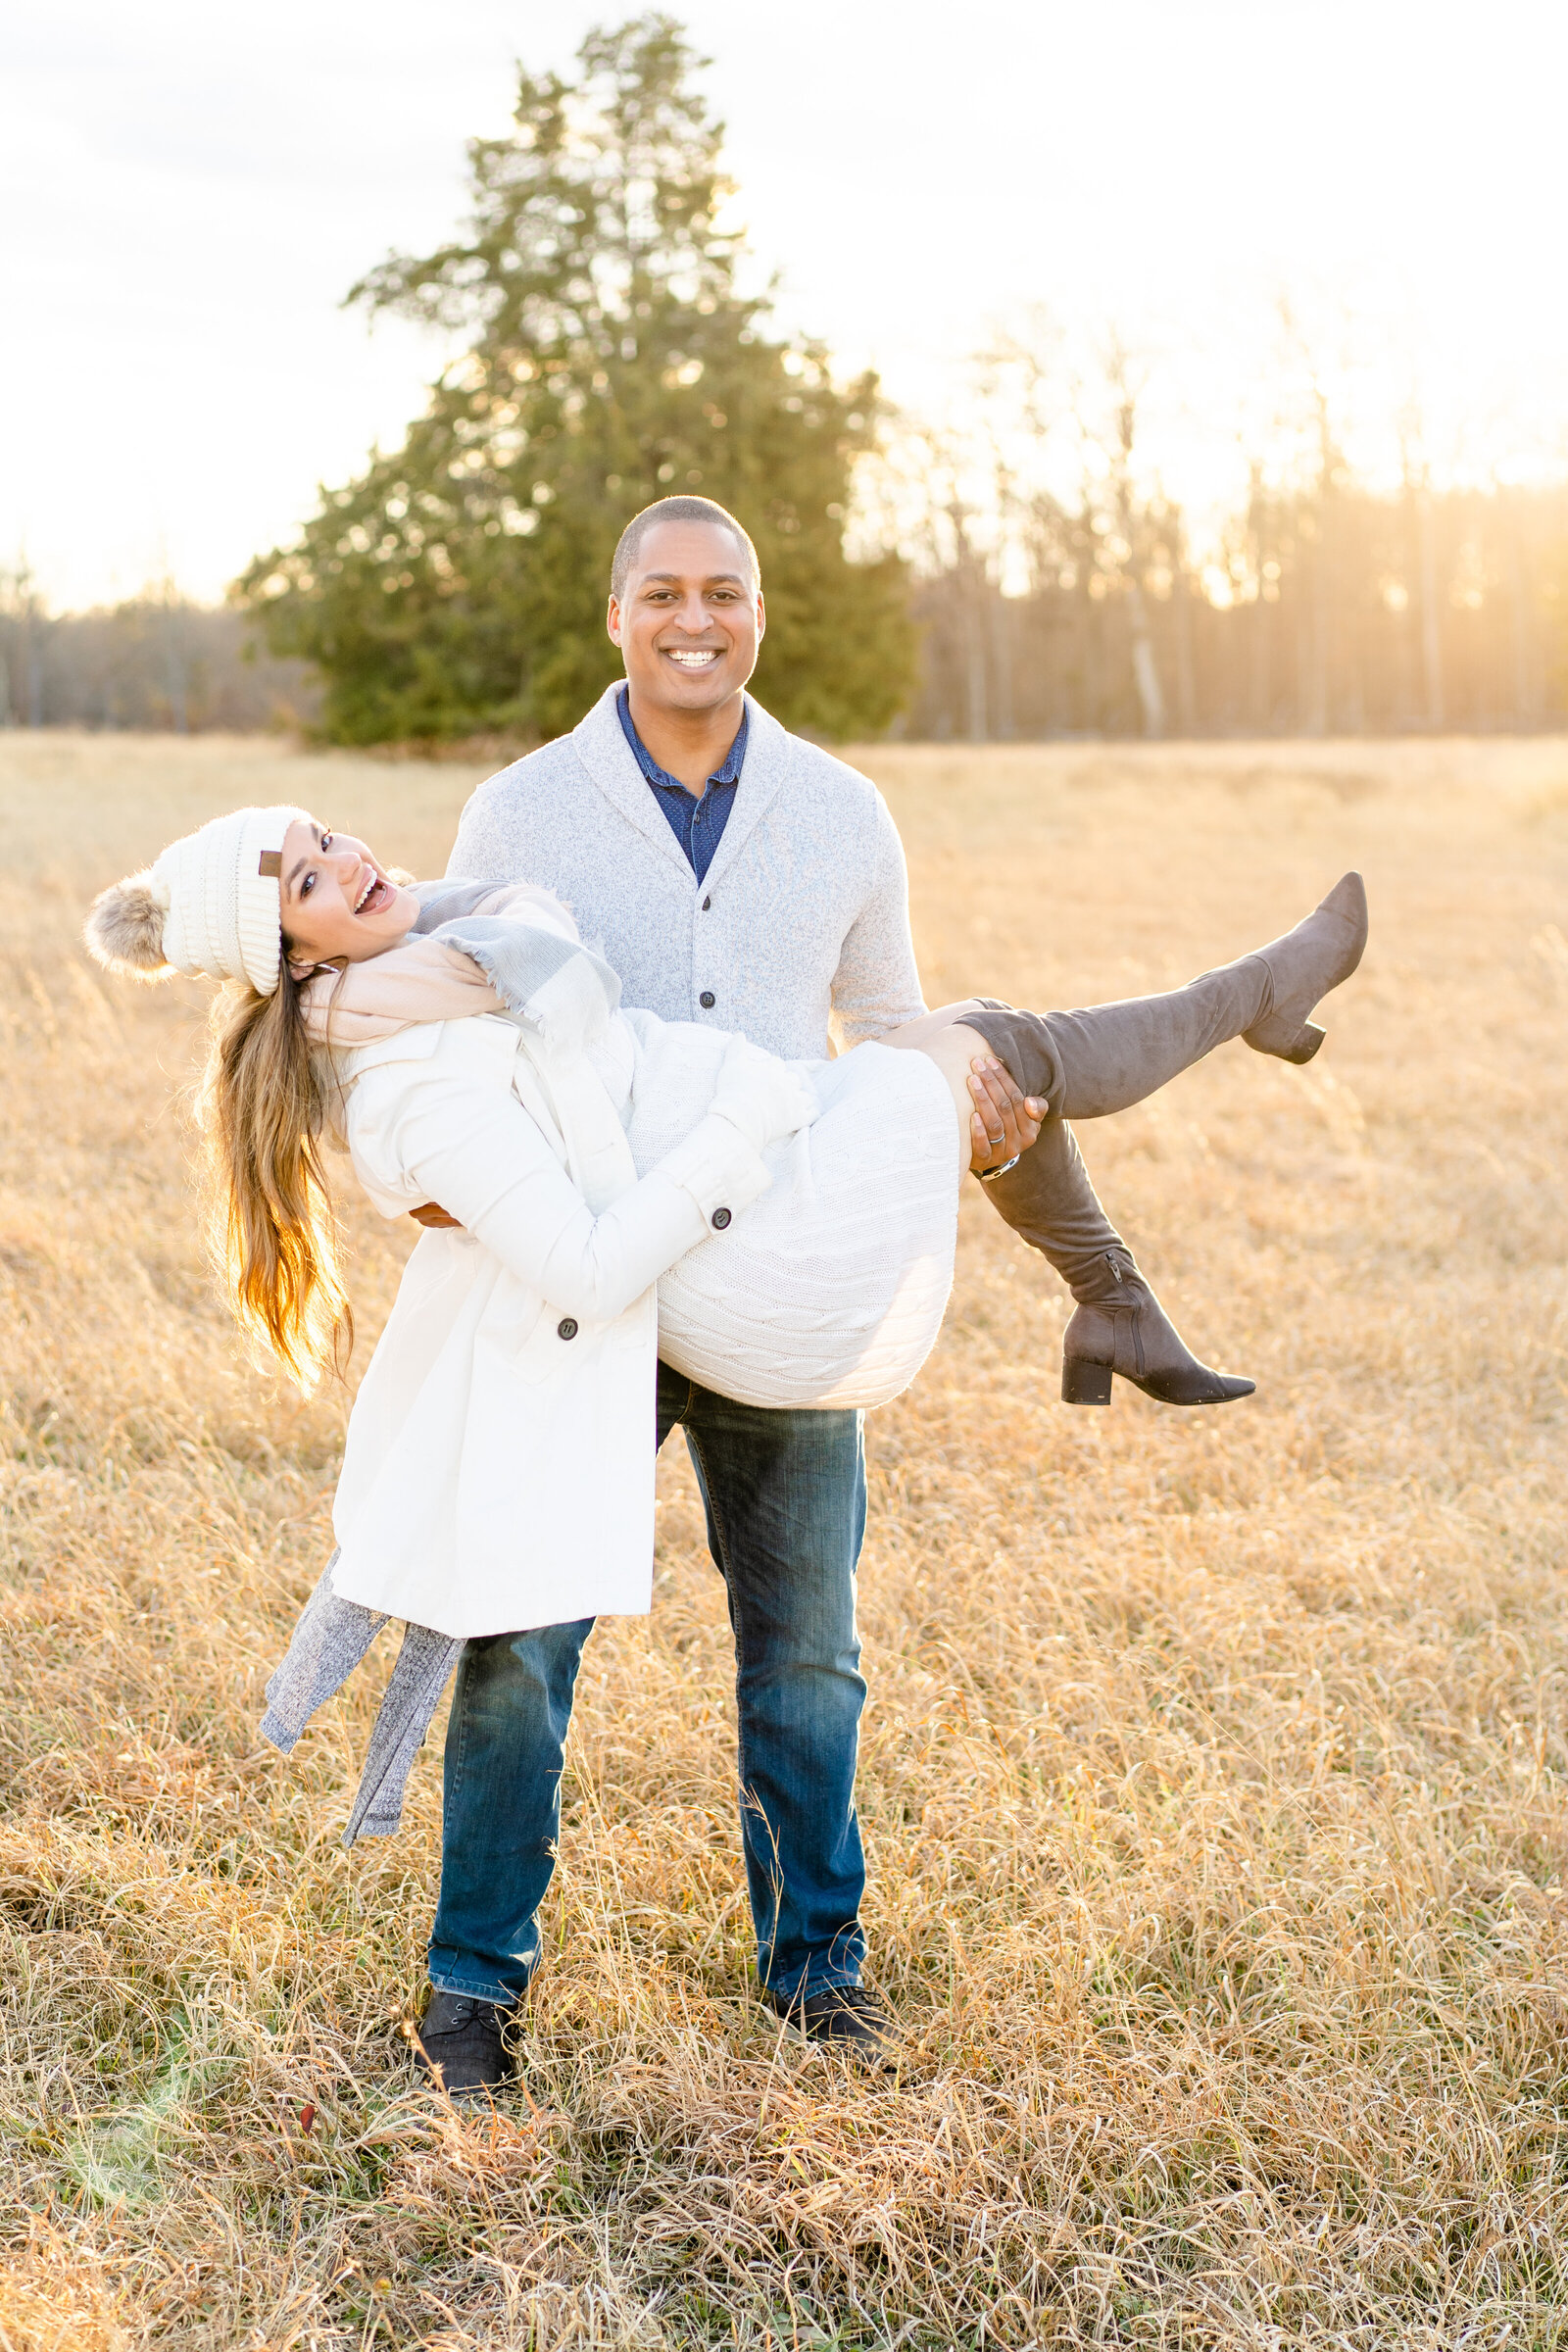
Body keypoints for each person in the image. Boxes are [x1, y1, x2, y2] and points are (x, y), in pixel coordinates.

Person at [86, 780, 1365, 2097]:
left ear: (750, 615)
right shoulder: (518, 826)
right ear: (621, 610)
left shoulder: (829, 813)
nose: (344, 858)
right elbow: (477, 1183)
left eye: (326, 836)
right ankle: (472, 1998)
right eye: (304, 877)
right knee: (519, 1654)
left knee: (807, 1651)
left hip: (773, 1227)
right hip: (631, 1284)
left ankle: (817, 1971)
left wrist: (942, 1107)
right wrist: (742, 1128)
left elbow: (878, 1016)